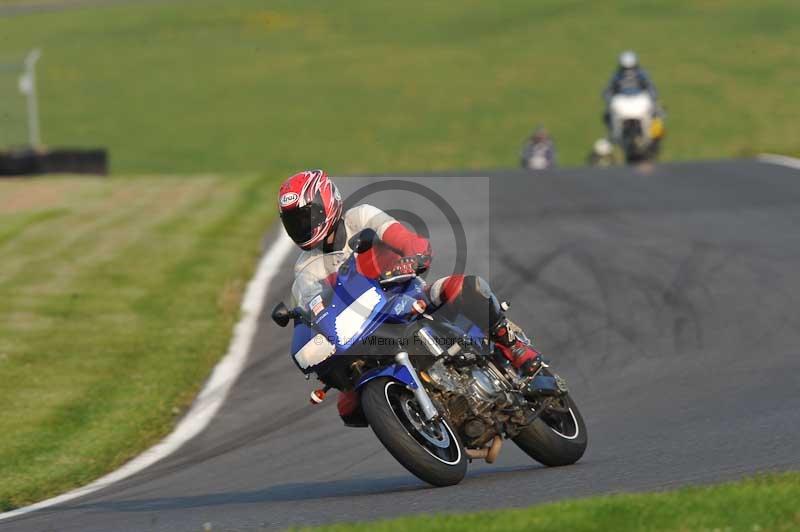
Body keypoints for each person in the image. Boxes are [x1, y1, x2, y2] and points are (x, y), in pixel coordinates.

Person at [278, 170, 542, 419]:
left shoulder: (360, 217)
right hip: (365, 326)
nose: (301, 227)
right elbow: (312, 309)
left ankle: (512, 345)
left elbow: (405, 239)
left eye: (306, 217)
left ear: (327, 204)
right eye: (294, 222)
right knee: (349, 406)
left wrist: (412, 255)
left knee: (463, 287)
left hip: (406, 293)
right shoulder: (305, 266)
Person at [602, 50, 659, 126]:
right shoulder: (619, 76)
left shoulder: (619, 75)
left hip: (637, 101)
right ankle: (617, 134)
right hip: (626, 102)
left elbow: (650, 87)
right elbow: (609, 90)